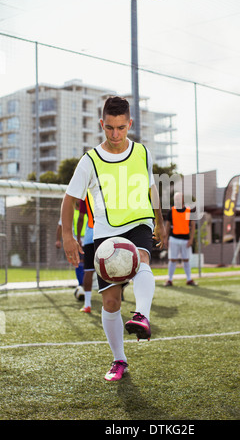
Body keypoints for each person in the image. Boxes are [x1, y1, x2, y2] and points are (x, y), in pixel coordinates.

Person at [61, 96, 165, 381]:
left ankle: (142, 316)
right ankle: (119, 359)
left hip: (138, 223)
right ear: (101, 125)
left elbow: (152, 188)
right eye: (109, 128)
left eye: (121, 127)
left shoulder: (143, 152)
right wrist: (68, 236)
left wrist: (160, 220)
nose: (116, 134)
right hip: (107, 235)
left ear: (129, 123)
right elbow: (69, 200)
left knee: (142, 257)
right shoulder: (90, 160)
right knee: (110, 302)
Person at [164, 192, 197, 287]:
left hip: (185, 239)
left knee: (186, 260)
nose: (176, 200)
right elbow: (167, 226)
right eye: (175, 199)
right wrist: (166, 238)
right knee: (172, 260)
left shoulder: (188, 211)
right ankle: (169, 280)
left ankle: (189, 279)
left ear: (182, 199)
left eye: (178, 199)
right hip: (174, 239)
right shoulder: (171, 211)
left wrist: (191, 239)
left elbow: (193, 225)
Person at [76, 198, 95, 313]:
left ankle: (87, 304)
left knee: (88, 270)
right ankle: (111, 302)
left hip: (90, 237)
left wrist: (78, 238)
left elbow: (81, 218)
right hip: (106, 236)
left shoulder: (86, 196)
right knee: (109, 270)